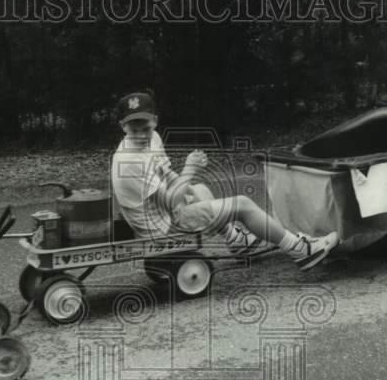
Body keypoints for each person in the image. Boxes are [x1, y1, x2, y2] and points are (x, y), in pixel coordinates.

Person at [110, 91, 339, 270]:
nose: (141, 134)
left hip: (162, 218)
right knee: (242, 204)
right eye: (134, 129)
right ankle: (300, 250)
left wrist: (189, 188)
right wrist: (190, 169)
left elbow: (167, 174)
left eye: (146, 127)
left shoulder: (154, 139)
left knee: (199, 189)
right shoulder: (131, 161)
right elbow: (170, 202)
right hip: (159, 231)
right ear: (123, 127)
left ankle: (238, 242)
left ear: (155, 122)